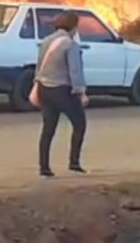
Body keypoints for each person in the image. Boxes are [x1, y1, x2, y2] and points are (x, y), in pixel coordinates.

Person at [35, 10, 89, 177]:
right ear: (73, 27)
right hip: (61, 90)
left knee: (48, 128)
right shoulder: (70, 44)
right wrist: (81, 93)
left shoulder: (45, 42)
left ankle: (44, 167)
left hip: (44, 89)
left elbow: (38, 66)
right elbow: (75, 71)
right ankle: (74, 162)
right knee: (80, 124)